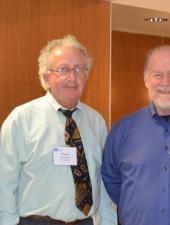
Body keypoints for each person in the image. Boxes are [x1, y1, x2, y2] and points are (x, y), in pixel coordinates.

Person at [0, 35, 116, 225]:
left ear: (86, 75)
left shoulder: (96, 122)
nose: (72, 77)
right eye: (63, 69)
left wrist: (107, 222)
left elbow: (103, 180)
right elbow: (4, 183)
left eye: (79, 69)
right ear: (46, 77)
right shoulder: (21, 119)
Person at [101, 45, 170, 225]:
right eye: (157, 75)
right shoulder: (122, 130)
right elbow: (112, 181)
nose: (165, 82)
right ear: (146, 80)